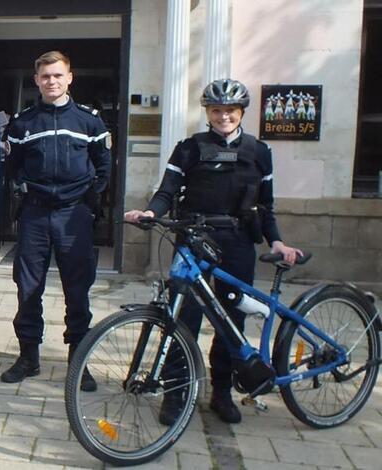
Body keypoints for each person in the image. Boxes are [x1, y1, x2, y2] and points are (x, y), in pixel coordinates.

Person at [124, 78, 302, 424]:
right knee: (182, 318)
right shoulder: (189, 148)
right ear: (207, 112)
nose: (224, 117)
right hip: (193, 239)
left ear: (241, 113)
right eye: (217, 110)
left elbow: (266, 206)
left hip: (237, 241)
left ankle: (221, 392)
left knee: (230, 320)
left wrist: (276, 240)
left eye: (231, 111)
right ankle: (177, 394)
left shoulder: (259, 152)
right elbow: (167, 191)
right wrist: (150, 213)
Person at [0, 51, 110, 390]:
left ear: (69, 78)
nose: (52, 81)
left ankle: (79, 364)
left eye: (58, 75)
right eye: (46, 76)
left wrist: (89, 204)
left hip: (73, 215)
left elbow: (104, 168)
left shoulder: (90, 122)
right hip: (35, 214)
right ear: (37, 80)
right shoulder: (23, 123)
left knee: (77, 291)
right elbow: (12, 167)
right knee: (28, 288)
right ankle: (29, 358)